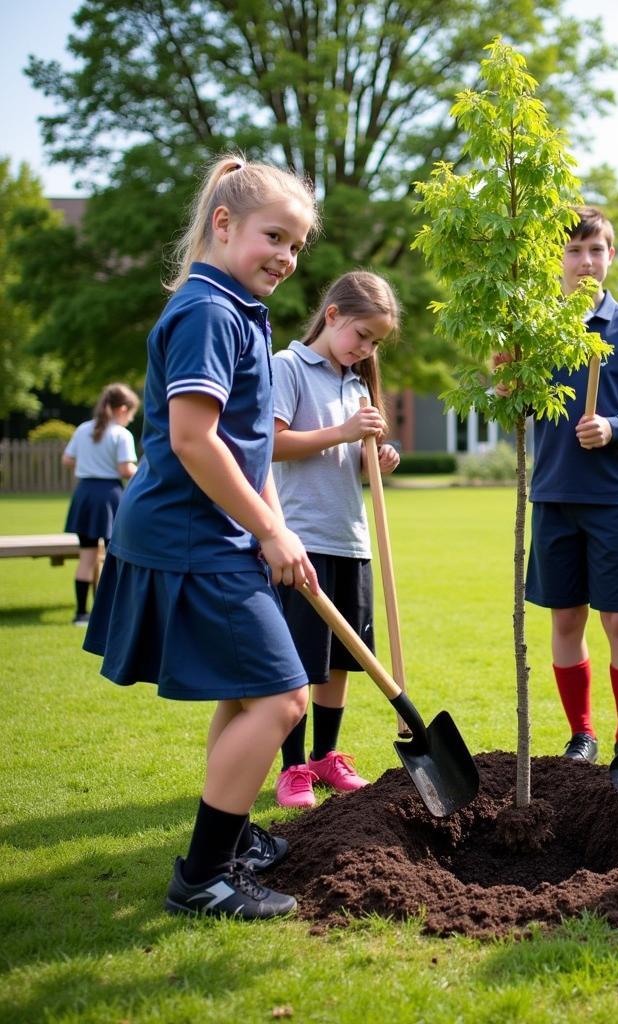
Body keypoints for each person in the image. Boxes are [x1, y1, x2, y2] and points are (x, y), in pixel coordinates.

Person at [84, 155, 321, 918]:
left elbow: (247, 447)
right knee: (284, 701)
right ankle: (205, 877)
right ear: (224, 224)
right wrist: (266, 532)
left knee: (250, 691)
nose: (285, 257)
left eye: (297, 246)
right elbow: (193, 439)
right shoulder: (208, 311)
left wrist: (278, 529)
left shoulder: (235, 307)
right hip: (191, 538)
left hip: (220, 535)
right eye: (273, 236)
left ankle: (234, 834)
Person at [520, 206, 618, 763]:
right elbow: (525, 405)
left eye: (595, 250)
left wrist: (613, 427)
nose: (585, 262)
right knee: (565, 619)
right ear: (556, 258)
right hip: (553, 494)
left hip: (613, 498)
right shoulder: (538, 328)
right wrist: (509, 382)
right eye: (574, 250)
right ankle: (582, 734)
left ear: (609, 256)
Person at [271, 270, 401, 808]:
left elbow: (349, 464)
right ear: (332, 315)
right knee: (300, 662)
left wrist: (377, 461)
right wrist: (345, 433)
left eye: (375, 342)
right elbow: (272, 444)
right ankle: (293, 768)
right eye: (361, 336)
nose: (366, 348)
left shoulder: (356, 382)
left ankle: (327, 756)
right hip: (302, 538)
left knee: (343, 660)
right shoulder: (288, 367)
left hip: (352, 539)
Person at [62, 383, 140, 624]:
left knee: (86, 557)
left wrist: (88, 466)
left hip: (84, 494)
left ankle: (81, 614)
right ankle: (109, 614)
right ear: (123, 409)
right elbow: (125, 469)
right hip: (110, 496)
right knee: (114, 558)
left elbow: (67, 459)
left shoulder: (83, 429)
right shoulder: (121, 434)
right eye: (131, 414)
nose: (131, 419)